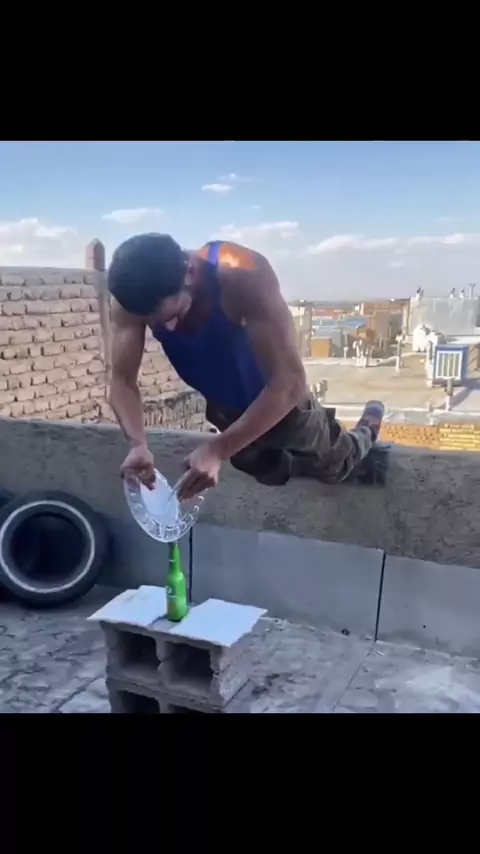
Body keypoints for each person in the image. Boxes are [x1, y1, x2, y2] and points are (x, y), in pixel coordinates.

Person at [107, 233, 384, 501]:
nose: (169, 329)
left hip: (284, 404)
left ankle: (368, 426)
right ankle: (301, 462)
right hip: (226, 410)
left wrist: (218, 449)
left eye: (174, 315)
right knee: (264, 469)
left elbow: (289, 381)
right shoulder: (132, 299)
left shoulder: (241, 273)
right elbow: (121, 380)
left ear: (190, 273)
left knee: (337, 464)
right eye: (156, 323)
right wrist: (138, 444)